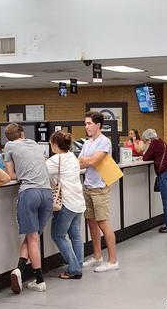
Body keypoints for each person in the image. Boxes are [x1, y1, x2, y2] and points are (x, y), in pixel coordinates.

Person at [2, 122, 55, 293]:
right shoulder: (34, 144)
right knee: (33, 235)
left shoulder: (9, 146)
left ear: (8, 138)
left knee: (32, 238)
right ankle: (19, 269)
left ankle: (39, 280)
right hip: (47, 194)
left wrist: (23, 174)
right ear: (23, 134)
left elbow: (10, 175)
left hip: (29, 193)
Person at [78, 111, 119, 272]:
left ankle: (113, 260)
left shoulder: (104, 142)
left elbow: (94, 161)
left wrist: (88, 161)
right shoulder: (87, 143)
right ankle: (97, 256)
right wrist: (88, 161)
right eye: (85, 123)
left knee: (103, 222)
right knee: (91, 222)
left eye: (89, 123)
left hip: (100, 188)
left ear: (98, 125)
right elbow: (80, 162)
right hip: (88, 186)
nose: (86, 126)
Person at [46, 130, 86, 280]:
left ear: (55, 144)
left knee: (58, 235)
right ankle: (78, 265)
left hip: (66, 204)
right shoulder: (72, 157)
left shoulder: (55, 160)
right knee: (75, 236)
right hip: (78, 201)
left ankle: (74, 269)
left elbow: (40, 171)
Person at [140, 128, 167, 233]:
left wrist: (147, 146)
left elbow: (145, 157)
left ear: (148, 139)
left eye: (145, 141)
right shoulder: (161, 142)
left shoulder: (154, 143)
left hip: (164, 175)